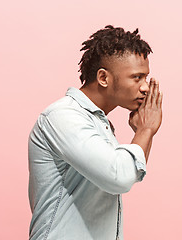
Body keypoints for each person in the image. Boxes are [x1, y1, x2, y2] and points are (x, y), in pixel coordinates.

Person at [28, 25, 163, 240]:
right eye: (137, 78)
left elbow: (127, 173)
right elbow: (119, 177)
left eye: (146, 78)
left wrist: (142, 131)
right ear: (103, 78)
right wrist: (146, 130)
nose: (145, 87)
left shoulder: (98, 123)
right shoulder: (64, 116)